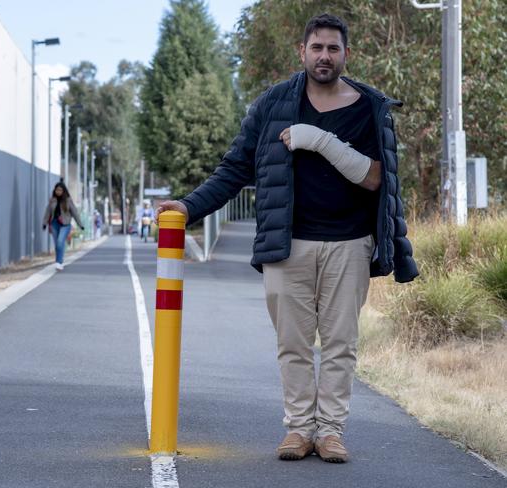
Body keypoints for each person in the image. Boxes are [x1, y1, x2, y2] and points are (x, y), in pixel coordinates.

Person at [156, 13, 418, 463]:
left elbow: (377, 178)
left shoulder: (370, 108)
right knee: (293, 345)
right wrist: (190, 207)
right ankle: (299, 430)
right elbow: (235, 168)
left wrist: (317, 139)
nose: (324, 56)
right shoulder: (272, 104)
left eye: (333, 48)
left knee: (340, 345)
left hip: (350, 243)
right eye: (316, 47)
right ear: (303, 52)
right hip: (286, 244)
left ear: (346, 55)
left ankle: (331, 431)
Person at [42, 180, 84, 270]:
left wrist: (80, 224)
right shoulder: (52, 200)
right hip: (54, 224)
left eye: (60, 190)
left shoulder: (68, 200)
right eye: (57, 190)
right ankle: (59, 261)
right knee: (57, 244)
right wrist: (44, 223)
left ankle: (59, 262)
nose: (58, 192)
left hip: (65, 225)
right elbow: (47, 212)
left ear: (63, 191)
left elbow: (74, 212)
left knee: (60, 242)